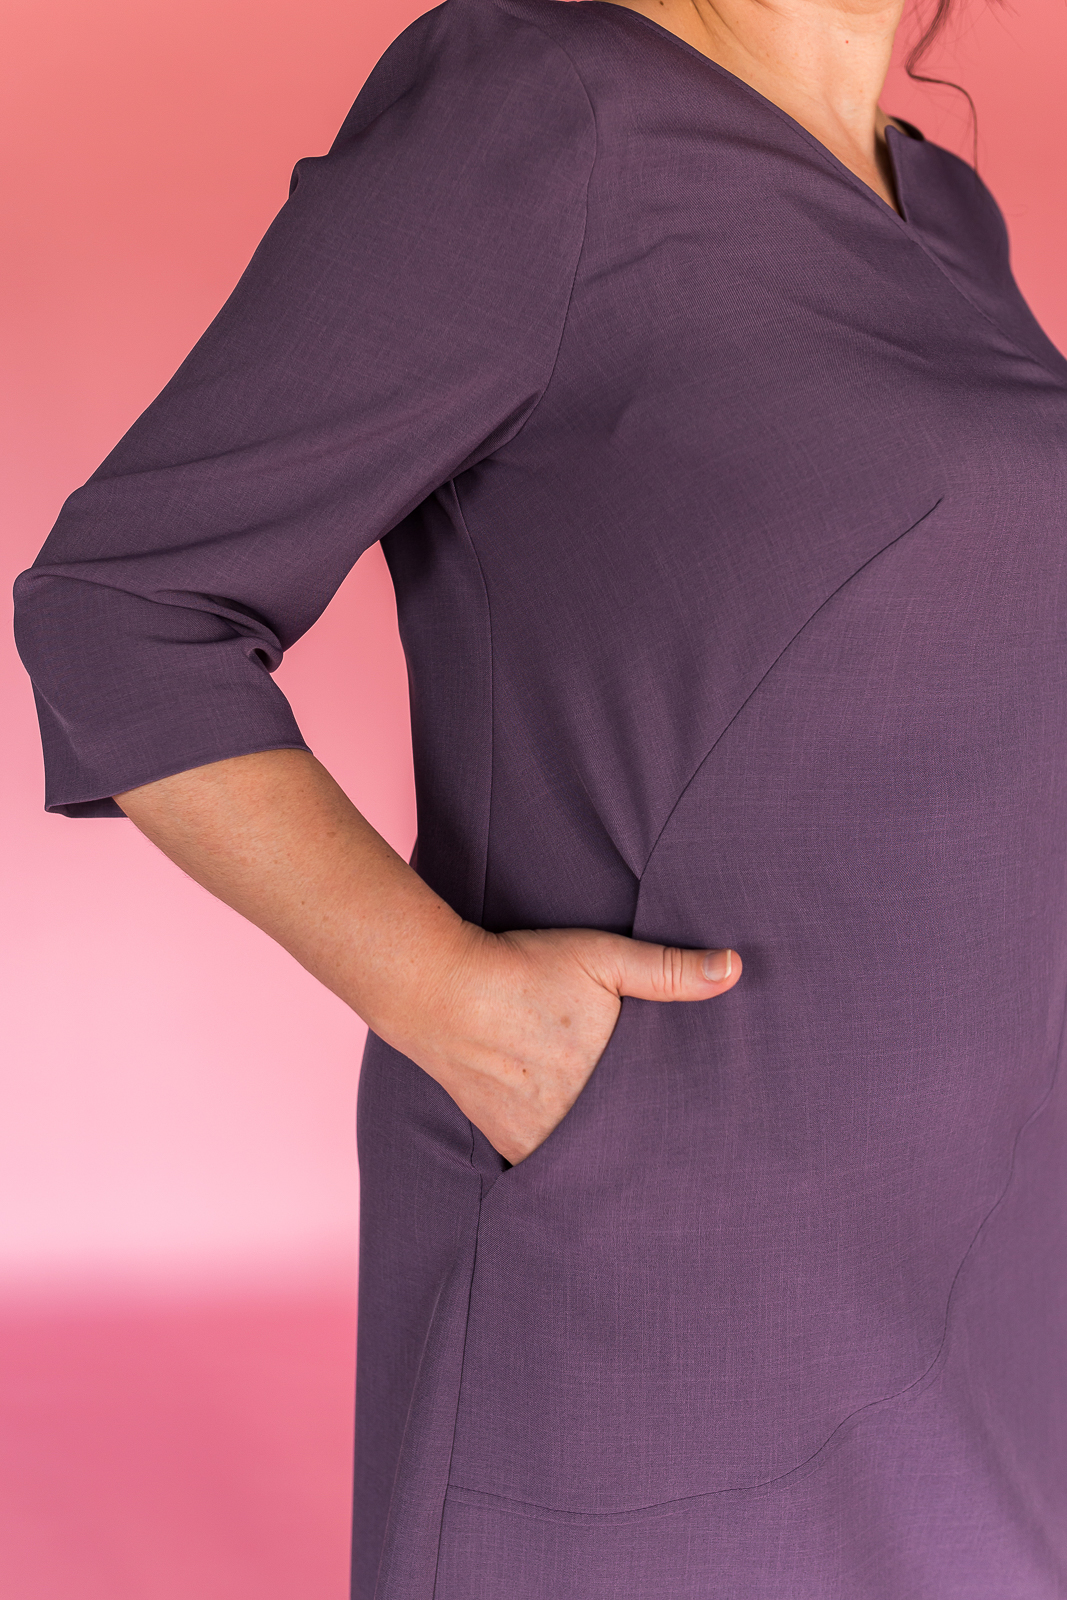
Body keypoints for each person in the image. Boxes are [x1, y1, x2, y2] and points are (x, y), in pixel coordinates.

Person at [13, 0, 1067, 1592]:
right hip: (666, 1249)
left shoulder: (942, 200)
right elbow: (122, 610)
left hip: (975, 1243)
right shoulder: (539, 106)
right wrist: (449, 1000)